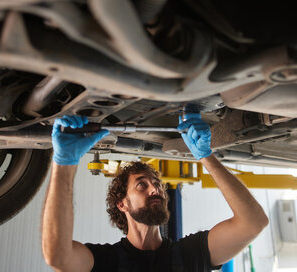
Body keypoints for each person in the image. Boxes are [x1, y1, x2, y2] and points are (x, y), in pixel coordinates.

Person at [42, 114, 269, 272]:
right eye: (142, 185)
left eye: (157, 184)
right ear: (122, 204)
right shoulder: (104, 261)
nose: (155, 189)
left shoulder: (193, 253)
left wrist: (205, 156)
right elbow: (57, 256)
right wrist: (65, 162)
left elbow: (253, 222)